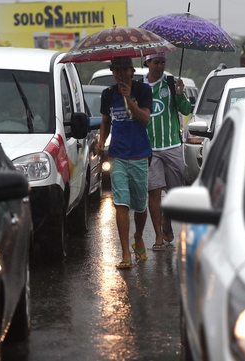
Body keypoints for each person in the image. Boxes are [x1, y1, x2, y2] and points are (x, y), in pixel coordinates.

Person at [96, 56, 153, 269]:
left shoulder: (143, 91)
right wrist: (101, 142)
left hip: (139, 155)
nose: (121, 74)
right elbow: (105, 121)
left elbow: (145, 118)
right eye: (117, 70)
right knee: (121, 203)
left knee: (140, 206)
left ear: (131, 71)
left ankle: (138, 236)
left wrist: (130, 100)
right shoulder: (108, 94)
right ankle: (125, 253)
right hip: (117, 155)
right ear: (112, 72)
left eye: (125, 69)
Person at [143, 52, 193, 251]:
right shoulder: (140, 87)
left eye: (163, 62)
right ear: (147, 63)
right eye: (156, 62)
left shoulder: (172, 83)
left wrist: (180, 95)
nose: (160, 66)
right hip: (149, 149)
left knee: (174, 193)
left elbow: (187, 110)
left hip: (172, 146)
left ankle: (167, 219)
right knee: (153, 192)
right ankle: (157, 236)